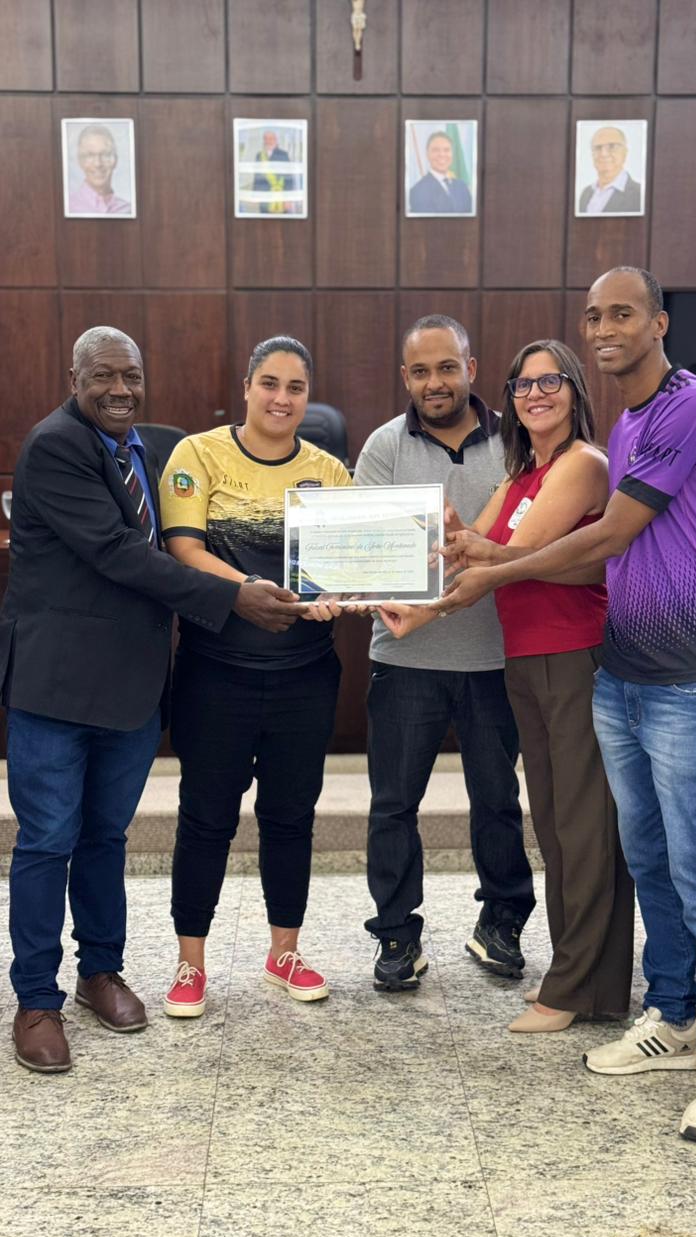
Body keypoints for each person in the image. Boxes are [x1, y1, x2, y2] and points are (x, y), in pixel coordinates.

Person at [435, 267, 696, 1144]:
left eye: (622, 313)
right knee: (654, 860)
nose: (605, 327)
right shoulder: (631, 422)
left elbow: (605, 538)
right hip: (622, 676)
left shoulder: (691, 405)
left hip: (690, 678)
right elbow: (556, 551)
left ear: (660, 323)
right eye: (593, 315)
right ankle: (673, 1017)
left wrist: (491, 569)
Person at [0, 327, 307, 1074]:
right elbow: (117, 554)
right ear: (74, 377)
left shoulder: (143, 448)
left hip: (132, 689)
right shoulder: (57, 446)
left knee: (106, 838)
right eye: (103, 376)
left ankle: (99, 971)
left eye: (131, 377)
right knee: (47, 841)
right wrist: (235, 596)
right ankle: (36, 999)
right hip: (57, 687)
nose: (119, 390)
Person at [379, 340, 635, 1031]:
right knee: (555, 826)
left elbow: (520, 560)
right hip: (526, 661)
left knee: (583, 829)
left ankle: (576, 988)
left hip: (574, 655)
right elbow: (476, 562)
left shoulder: (583, 464)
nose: (535, 394)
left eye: (550, 381)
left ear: (575, 391)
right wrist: (422, 604)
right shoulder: (522, 472)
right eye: (522, 385)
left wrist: (476, 554)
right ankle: (587, 980)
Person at [159, 336, 351, 1016]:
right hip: (216, 674)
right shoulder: (197, 455)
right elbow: (182, 548)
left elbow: (344, 568)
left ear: (308, 397)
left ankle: (284, 953)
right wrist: (249, 587)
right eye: (269, 383)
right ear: (246, 387)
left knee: (291, 818)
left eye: (295, 387)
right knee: (205, 820)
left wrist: (336, 594)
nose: (281, 398)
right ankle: (189, 964)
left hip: (305, 676)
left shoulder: (330, 470)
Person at [353, 315, 535, 992]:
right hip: (405, 661)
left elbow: (529, 539)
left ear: (472, 368)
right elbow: (368, 549)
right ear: (406, 377)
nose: (435, 382)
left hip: (494, 656)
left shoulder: (517, 444)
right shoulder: (382, 446)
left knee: (497, 800)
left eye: (447, 367)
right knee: (393, 804)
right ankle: (396, 934)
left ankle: (503, 922)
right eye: (421, 371)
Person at [67, 123, 132, 216]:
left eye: (105, 154)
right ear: (80, 161)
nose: (98, 164)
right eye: (90, 155)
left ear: (116, 160)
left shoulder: (128, 210)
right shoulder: (69, 207)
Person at [578, 126, 641, 215]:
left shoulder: (639, 195)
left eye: (612, 146)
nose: (603, 154)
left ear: (625, 152)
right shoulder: (586, 194)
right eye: (598, 148)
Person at [408, 132, 472, 215]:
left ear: (452, 154)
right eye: (436, 150)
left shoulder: (462, 187)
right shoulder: (418, 191)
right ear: (427, 154)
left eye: (447, 150)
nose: (442, 155)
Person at [252, 129, 295, 214]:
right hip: (264, 196)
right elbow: (257, 176)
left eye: (271, 138)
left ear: (276, 140)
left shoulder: (283, 154)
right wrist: (255, 195)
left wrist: (288, 199)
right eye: (266, 138)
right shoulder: (259, 155)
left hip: (281, 196)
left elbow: (289, 178)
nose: (268, 141)